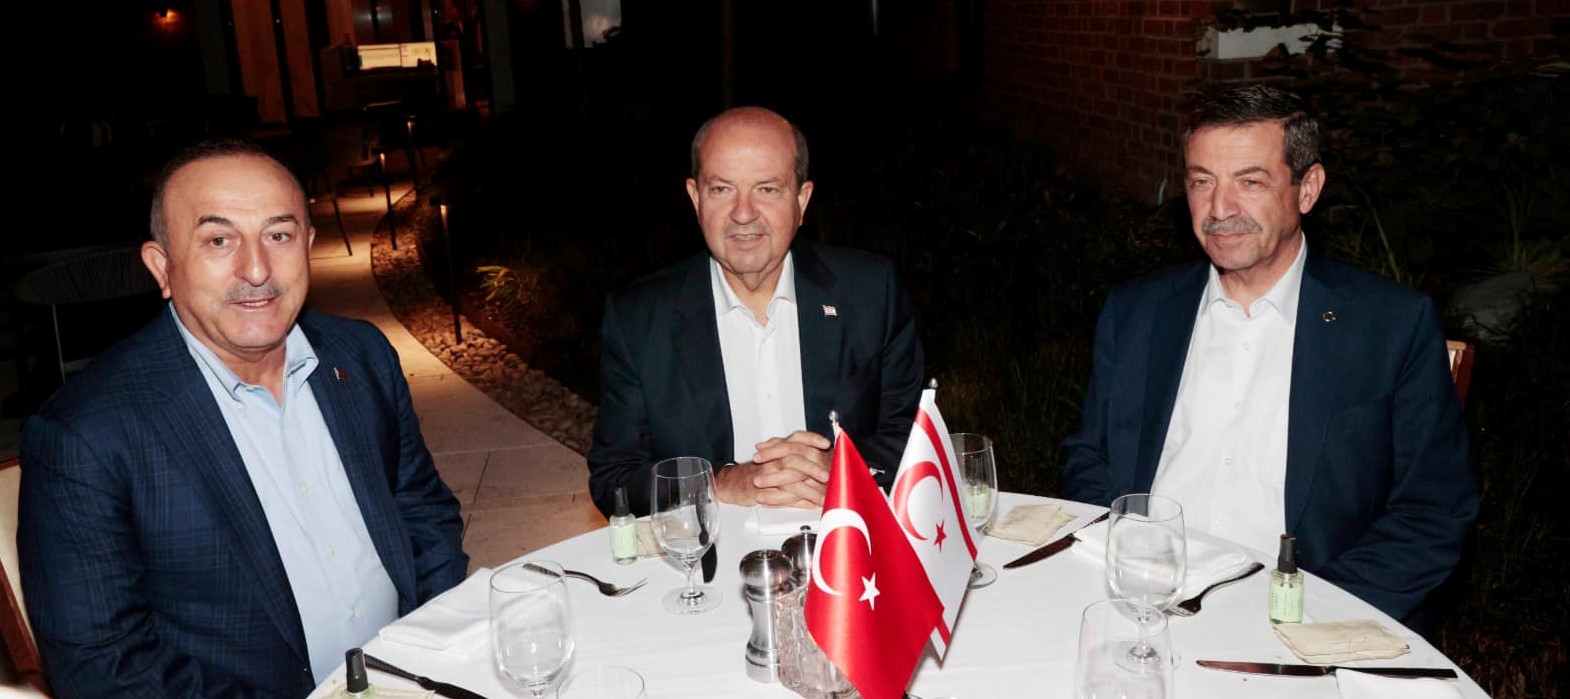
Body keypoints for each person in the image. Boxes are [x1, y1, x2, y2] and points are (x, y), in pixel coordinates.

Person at [18, 140, 468, 698]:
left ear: (308, 246)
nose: (256, 270)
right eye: (218, 240)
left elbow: (423, 511)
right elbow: (104, 668)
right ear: (162, 267)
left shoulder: (361, 355)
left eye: (278, 236)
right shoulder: (85, 434)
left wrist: (427, 651)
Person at [1062, 84, 1477, 626]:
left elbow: (1433, 510)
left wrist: (1308, 613)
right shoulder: (1138, 311)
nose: (1219, 209)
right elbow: (1090, 457)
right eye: (1201, 181)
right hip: (1144, 598)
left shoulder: (1389, 326)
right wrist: (1130, 560)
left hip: (1302, 614)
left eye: (1250, 182)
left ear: (1308, 189)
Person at [588, 107, 924, 516]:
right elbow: (614, 480)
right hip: (710, 547)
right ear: (696, 198)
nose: (743, 213)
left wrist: (842, 469)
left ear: (801, 200)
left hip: (847, 537)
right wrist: (720, 484)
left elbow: (914, 436)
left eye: (767, 189)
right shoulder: (638, 319)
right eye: (721, 189)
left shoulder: (870, 292)